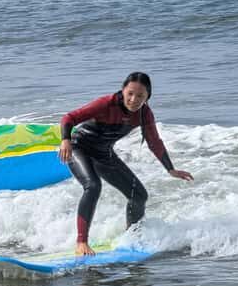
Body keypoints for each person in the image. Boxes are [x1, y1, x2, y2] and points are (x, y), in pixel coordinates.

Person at [59, 72, 193, 255]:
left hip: (103, 154)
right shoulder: (106, 103)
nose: (133, 99)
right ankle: (81, 242)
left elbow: (154, 142)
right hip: (78, 147)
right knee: (93, 185)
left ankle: (131, 237)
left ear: (147, 97)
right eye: (130, 93)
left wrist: (171, 169)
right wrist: (65, 140)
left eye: (140, 96)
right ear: (123, 91)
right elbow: (69, 117)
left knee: (138, 195)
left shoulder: (144, 114)